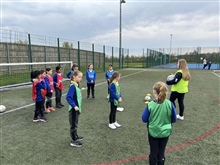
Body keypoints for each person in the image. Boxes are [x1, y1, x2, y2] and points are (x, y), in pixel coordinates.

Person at [142, 81, 177, 165]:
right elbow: (174, 119)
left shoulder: (150, 105)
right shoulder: (170, 104)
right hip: (165, 132)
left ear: (154, 92)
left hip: (153, 132)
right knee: (161, 153)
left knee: (153, 153)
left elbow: (144, 119)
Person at [66, 70, 84, 147]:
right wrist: (74, 105)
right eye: (79, 77)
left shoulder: (76, 85)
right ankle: (73, 141)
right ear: (74, 77)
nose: (81, 78)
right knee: (73, 124)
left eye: (81, 77)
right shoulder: (73, 86)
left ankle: (75, 136)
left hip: (76, 109)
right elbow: (68, 97)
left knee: (75, 123)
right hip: (74, 109)